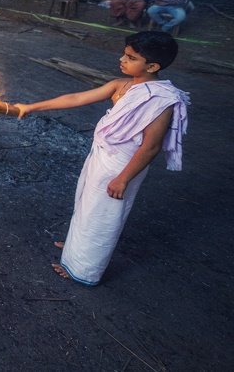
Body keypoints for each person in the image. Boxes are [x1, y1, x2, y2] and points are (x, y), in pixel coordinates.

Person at [15, 31, 189, 285]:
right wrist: (30, 107)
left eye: (130, 57)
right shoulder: (121, 85)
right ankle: (77, 244)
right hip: (102, 157)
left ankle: (85, 269)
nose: (122, 59)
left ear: (152, 66)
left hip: (122, 166)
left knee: (103, 215)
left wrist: (123, 179)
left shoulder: (161, 100)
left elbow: (150, 147)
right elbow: (76, 98)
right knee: (86, 203)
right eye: (124, 53)